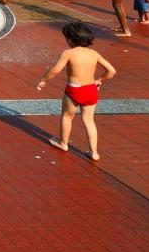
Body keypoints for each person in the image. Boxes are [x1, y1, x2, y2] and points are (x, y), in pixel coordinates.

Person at [37, 21, 117, 162]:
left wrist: (44, 79)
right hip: (91, 89)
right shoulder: (94, 54)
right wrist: (99, 80)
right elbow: (111, 71)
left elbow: (55, 70)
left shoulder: (68, 53)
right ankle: (94, 152)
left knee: (67, 116)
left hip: (74, 90)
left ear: (70, 39)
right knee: (89, 121)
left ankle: (63, 143)